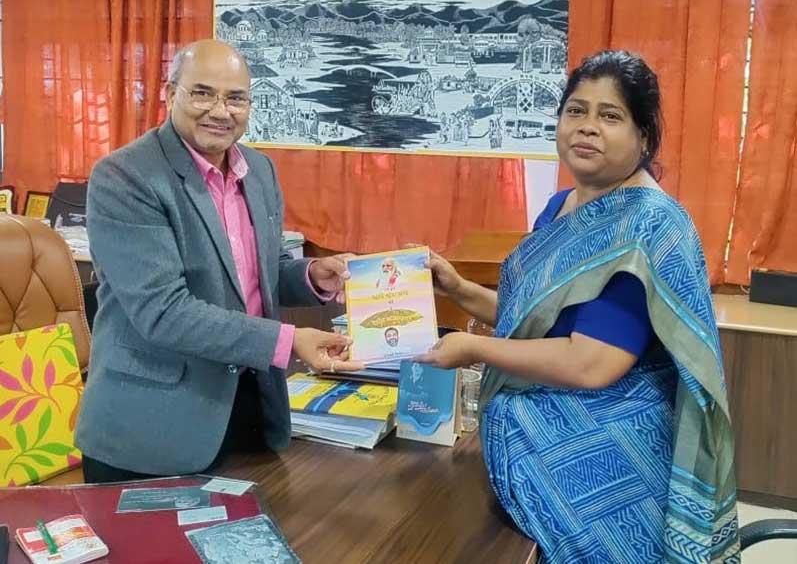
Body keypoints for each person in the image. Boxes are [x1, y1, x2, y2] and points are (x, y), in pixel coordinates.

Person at [417, 50, 739, 562]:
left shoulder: (647, 227)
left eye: (610, 116)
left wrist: (473, 347)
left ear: (644, 137)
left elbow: (593, 362)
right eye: (576, 111)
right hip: (536, 421)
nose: (587, 128)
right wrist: (458, 289)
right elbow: (538, 319)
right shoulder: (560, 206)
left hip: (610, 445)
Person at [76, 40, 362, 483]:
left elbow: (247, 276)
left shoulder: (259, 170)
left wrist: (309, 276)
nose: (220, 111)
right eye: (203, 93)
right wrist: (287, 342)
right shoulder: (125, 177)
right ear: (170, 95)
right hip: (152, 429)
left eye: (236, 98)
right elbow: (164, 312)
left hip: (248, 408)